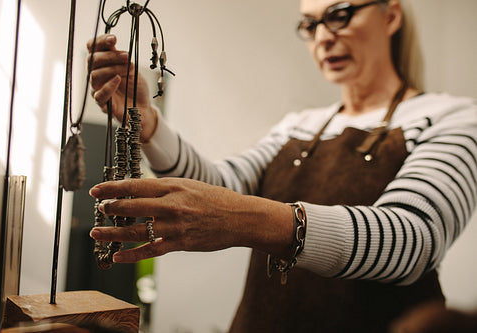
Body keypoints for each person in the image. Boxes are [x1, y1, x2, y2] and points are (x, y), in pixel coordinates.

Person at [87, 0, 477, 332]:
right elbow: (222, 186)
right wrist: (147, 121)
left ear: (390, 17)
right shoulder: (298, 125)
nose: (323, 37)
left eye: (339, 14)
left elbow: (413, 238)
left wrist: (243, 219)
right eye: (310, 25)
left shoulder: (452, 117)